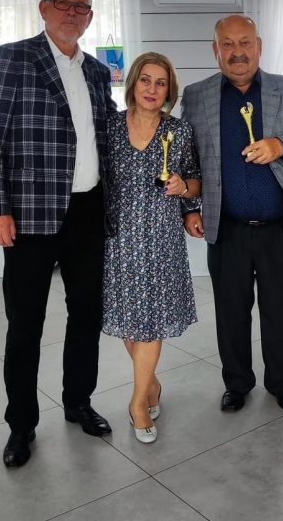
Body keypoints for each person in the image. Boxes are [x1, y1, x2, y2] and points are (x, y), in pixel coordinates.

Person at [0, 0, 117, 468]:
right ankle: (21, 424)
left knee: (87, 315)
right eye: (63, 3)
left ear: (90, 16)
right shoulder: (13, 58)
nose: (72, 13)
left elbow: (107, 137)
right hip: (29, 214)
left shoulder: (97, 72)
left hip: (88, 212)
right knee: (25, 324)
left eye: (82, 7)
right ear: (43, 7)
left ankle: (78, 401)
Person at [182, 15, 283, 413]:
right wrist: (189, 208)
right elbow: (186, 158)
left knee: (281, 311)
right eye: (227, 44)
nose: (237, 52)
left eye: (244, 43)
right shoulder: (196, 96)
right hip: (226, 227)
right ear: (216, 50)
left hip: (280, 225)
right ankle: (237, 383)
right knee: (231, 312)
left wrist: (280, 145)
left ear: (258, 47)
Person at [101, 52, 201, 444]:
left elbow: (195, 181)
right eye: (146, 80)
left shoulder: (180, 131)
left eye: (161, 83)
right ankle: (152, 384)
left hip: (161, 239)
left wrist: (183, 187)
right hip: (117, 239)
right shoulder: (109, 126)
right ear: (133, 84)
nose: (152, 89)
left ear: (169, 91)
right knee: (131, 320)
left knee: (150, 320)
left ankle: (138, 403)